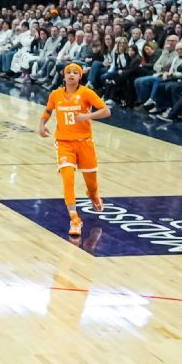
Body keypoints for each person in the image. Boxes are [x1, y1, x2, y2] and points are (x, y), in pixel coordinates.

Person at [39, 63, 110, 236]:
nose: (71, 75)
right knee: (68, 180)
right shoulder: (55, 94)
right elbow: (48, 110)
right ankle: (75, 219)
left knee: (92, 184)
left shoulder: (86, 93)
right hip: (64, 143)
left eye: (75, 72)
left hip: (85, 143)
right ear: (63, 76)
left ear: (80, 77)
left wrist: (87, 116)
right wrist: (41, 125)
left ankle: (93, 195)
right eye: (68, 72)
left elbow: (106, 111)